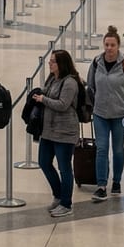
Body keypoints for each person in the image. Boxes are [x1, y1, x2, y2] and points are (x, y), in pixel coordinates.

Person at [87, 26, 124, 201]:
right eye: (106, 44)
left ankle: (116, 181)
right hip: (100, 114)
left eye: (112, 45)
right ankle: (101, 185)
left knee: (117, 150)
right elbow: (90, 86)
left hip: (119, 115)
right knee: (101, 149)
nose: (109, 48)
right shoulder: (96, 62)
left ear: (118, 46)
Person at [32, 49, 80, 217]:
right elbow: (47, 93)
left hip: (65, 132)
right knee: (44, 162)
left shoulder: (70, 82)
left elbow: (63, 104)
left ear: (61, 64)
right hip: (48, 130)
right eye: (50, 61)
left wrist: (43, 99)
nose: (50, 64)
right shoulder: (53, 78)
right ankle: (58, 195)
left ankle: (66, 203)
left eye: (53, 61)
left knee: (64, 168)